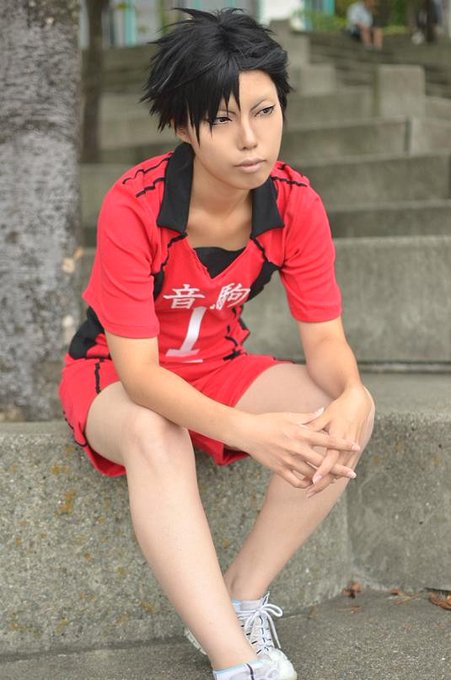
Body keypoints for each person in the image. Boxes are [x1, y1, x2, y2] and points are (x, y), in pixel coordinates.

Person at [59, 8, 375, 680]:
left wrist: (351, 392)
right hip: (114, 376)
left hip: (218, 365)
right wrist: (250, 432)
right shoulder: (135, 204)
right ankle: (234, 661)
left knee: (344, 411)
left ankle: (243, 594)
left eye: (264, 111)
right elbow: (141, 377)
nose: (250, 139)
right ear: (183, 127)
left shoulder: (295, 203)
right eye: (223, 119)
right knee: (154, 430)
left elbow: (325, 340)